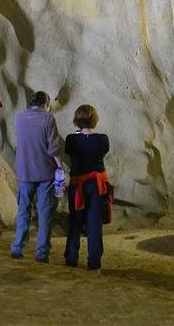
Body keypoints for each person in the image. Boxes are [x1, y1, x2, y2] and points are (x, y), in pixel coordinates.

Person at [10, 90, 64, 262]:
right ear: (45, 105)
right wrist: (60, 167)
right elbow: (53, 148)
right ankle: (42, 253)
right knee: (45, 213)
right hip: (45, 172)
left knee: (23, 211)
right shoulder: (48, 118)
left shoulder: (18, 117)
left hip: (24, 172)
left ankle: (18, 248)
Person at [63, 104, 112, 272]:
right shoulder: (102, 139)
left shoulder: (71, 139)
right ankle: (94, 262)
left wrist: (80, 134)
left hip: (77, 184)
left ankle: (71, 258)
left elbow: (74, 147)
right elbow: (100, 148)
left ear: (77, 120)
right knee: (94, 222)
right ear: (94, 120)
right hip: (97, 185)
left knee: (75, 221)